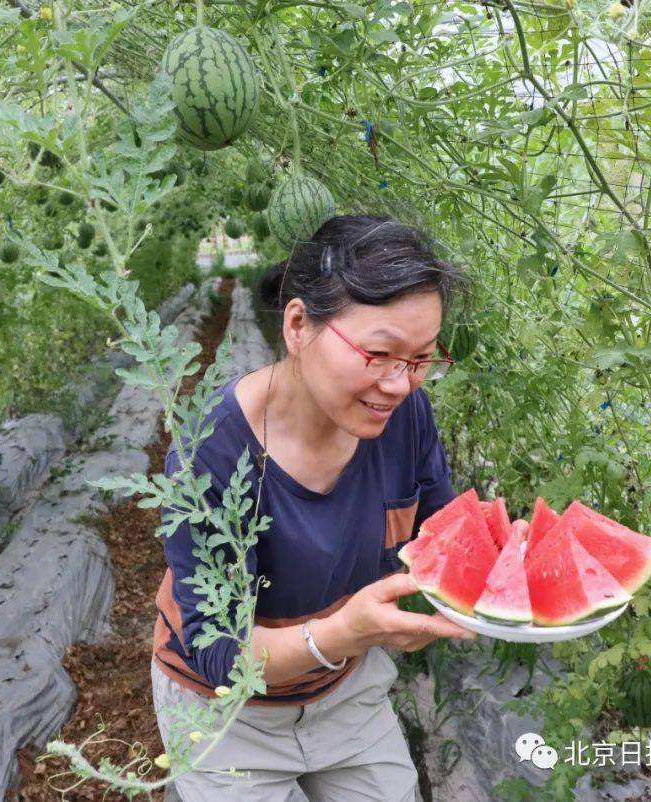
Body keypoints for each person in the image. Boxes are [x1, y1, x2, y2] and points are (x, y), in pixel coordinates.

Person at [149, 214, 479, 802]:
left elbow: (440, 529)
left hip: (349, 693)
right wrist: (344, 632)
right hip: (227, 715)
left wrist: (499, 555)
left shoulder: (405, 416)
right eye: (379, 354)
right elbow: (221, 654)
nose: (400, 384)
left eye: (422, 359)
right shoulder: (211, 453)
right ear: (299, 324)